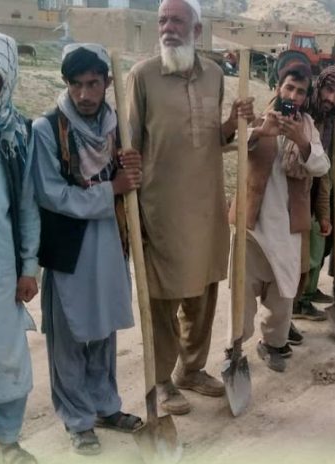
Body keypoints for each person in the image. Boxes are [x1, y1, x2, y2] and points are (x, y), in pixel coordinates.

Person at [126, 0, 254, 415]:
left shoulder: (215, 74)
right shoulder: (142, 76)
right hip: (161, 209)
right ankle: (162, 379)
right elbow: (130, 145)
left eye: (177, 21)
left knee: (204, 291)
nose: (168, 28)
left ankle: (191, 369)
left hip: (206, 207)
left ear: (197, 30)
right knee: (163, 298)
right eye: (162, 20)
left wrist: (234, 122)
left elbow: (213, 138)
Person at [32, 43, 143, 456]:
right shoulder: (47, 129)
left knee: (103, 330)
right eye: (76, 84)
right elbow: (51, 193)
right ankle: (77, 420)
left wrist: (132, 171)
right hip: (69, 246)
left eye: (93, 83)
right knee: (70, 336)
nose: (84, 94)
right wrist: (111, 189)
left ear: (107, 83)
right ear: (66, 84)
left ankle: (105, 407)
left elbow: (129, 180)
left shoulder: (116, 126)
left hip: (110, 240)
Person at [229, 62, 330, 371]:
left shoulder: (307, 126)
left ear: (306, 97)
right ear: (278, 88)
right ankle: (235, 347)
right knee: (242, 293)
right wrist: (261, 132)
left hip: (288, 228)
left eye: (300, 92)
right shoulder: (259, 117)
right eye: (289, 88)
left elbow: (321, 167)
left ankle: (273, 343)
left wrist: (300, 140)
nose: (294, 96)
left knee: (282, 293)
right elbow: (233, 145)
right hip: (253, 224)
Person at [0, 29, 40, 464]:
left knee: (7, 356)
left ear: (5, 81)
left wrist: (29, 267)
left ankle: (8, 440)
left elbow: (27, 207)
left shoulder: (16, 134)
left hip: (1, 271)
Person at [292, 66, 335, 324]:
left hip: (311, 197)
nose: (331, 98)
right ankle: (285, 317)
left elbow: (323, 171)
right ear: (318, 87)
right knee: (290, 264)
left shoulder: (328, 120)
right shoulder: (301, 114)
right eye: (328, 90)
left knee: (305, 260)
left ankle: (295, 308)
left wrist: (324, 213)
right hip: (289, 199)